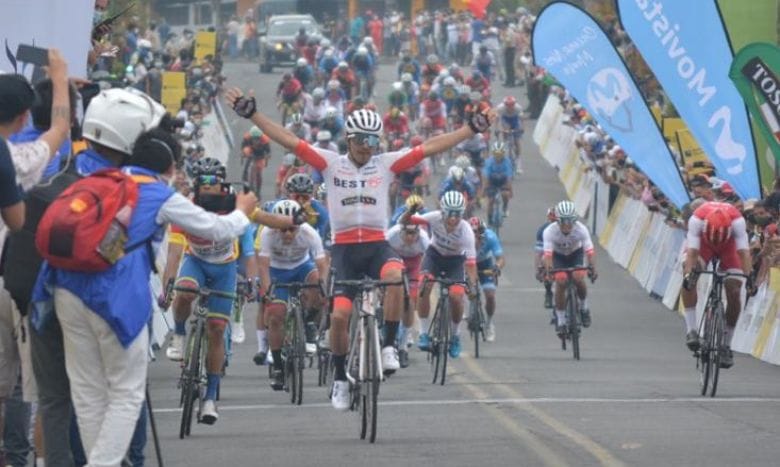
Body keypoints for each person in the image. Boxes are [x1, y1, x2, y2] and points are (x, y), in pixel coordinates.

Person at [225, 87, 493, 411]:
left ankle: (389, 346)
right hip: (345, 250)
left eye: (373, 141)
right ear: (349, 138)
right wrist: (252, 114)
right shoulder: (330, 163)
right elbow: (289, 140)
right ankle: (340, 378)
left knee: (395, 278)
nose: (368, 147)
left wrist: (471, 129)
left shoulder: (385, 164)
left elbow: (430, 147)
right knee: (339, 316)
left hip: (377, 245)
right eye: (362, 140)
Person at [30, 129, 261, 467]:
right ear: (170, 168)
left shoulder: (100, 179)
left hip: (62, 289)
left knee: (87, 391)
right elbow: (217, 229)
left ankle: (97, 460)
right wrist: (242, 210)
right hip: (115, 296)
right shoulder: (157, 191)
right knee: (126, 392)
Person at [258, 199, 328, 390]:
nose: (288, 233)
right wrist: (267, 291)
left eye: (292, 229)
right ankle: (278, 367)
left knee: (318, 284)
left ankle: (309, 322)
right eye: (283, 229)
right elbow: (263, 267)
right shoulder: (267, 233)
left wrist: (322, 289)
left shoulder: (308, 232)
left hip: (301, 267)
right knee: (275, 316)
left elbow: (322, 265)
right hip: (277, 271)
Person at [402, 191, 478, 359]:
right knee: (424, 287)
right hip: (434, 256)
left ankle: (455, 336)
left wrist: (471, 286)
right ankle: (423, 333)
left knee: (456, 297)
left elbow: (471, 265)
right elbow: (406, 221)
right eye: (450, 213)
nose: (453, 218)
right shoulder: (434, 217)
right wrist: (411, 210)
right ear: (443, 211)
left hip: (455, 262)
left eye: (458, 214)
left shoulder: (466, 231)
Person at [681, 201, 752, 368]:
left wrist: (749, 279)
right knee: (689, 275)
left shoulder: (738, 222)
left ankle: (726, 345)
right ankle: (691, 330)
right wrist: (689, 275)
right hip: (703, 245)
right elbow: (692, 253)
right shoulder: (697, 220)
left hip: (729, 246)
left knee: (734, 291)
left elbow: (744, 254)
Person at [543, 201, 598, 336]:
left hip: (575, 253)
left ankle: (584, 308)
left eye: (570, 221)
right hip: (558, 256)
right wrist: (549, 271)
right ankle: (561, 320)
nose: (567, 225)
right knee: (561, 281)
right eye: (563, 221)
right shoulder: (549, 231)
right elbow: (548, 256)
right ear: (557, 220)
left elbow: (590, 252)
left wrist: (593, 268)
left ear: (574, 220)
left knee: (578, 277)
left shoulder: (581, 229)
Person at [386, 222, 430, 367]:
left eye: (414, 234)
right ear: (401, 231)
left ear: (418, 232)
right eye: (407, 233)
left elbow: (429, 260)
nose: (410, 237)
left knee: (410, 301)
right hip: (395, 261)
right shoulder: (392, 235)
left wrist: (425, 277)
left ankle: (403, 345)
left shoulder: (424, 239)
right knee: (389, 295)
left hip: (414, 265)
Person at [469, 217, 504, 341]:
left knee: (490, 295)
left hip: (485, 264)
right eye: (473, 234)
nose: (476, 238)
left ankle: (489, 323)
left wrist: (497, 267)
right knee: (463, 289)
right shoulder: (462, 237)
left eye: (478, 235)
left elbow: (500, 258)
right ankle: (469, 307)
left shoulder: (490, 237)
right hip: (467, 264)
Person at [285, 172, 330, 240]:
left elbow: (324, 237)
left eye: (305, 197)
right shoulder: (278, 206)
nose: (300, 201)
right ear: (288, 196)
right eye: (296, 197)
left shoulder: (320, 211)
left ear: (311, 196)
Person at [535, 207, 557, 311]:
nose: (554, 224)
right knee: (545, 263)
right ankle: (548, 292)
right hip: (550, 254)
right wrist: (538, 270)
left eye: (556, 221)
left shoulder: (568, 227)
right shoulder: (543, 230)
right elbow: (539, 253)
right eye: (552, 221)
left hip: (567, 251)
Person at [483, 141, 513, 218]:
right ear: (493, 153)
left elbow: (508, 178)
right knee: (490, 201)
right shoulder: (489, 162)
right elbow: (486, 178)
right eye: (496, 154)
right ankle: (489, 219)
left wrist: (510, 190)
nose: (498, 157)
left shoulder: (507, 162)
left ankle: (505, 207)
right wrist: (484, 190)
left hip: (503, 181)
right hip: (492, 182)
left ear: (503, 154)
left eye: (500, 154)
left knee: (505, 194)